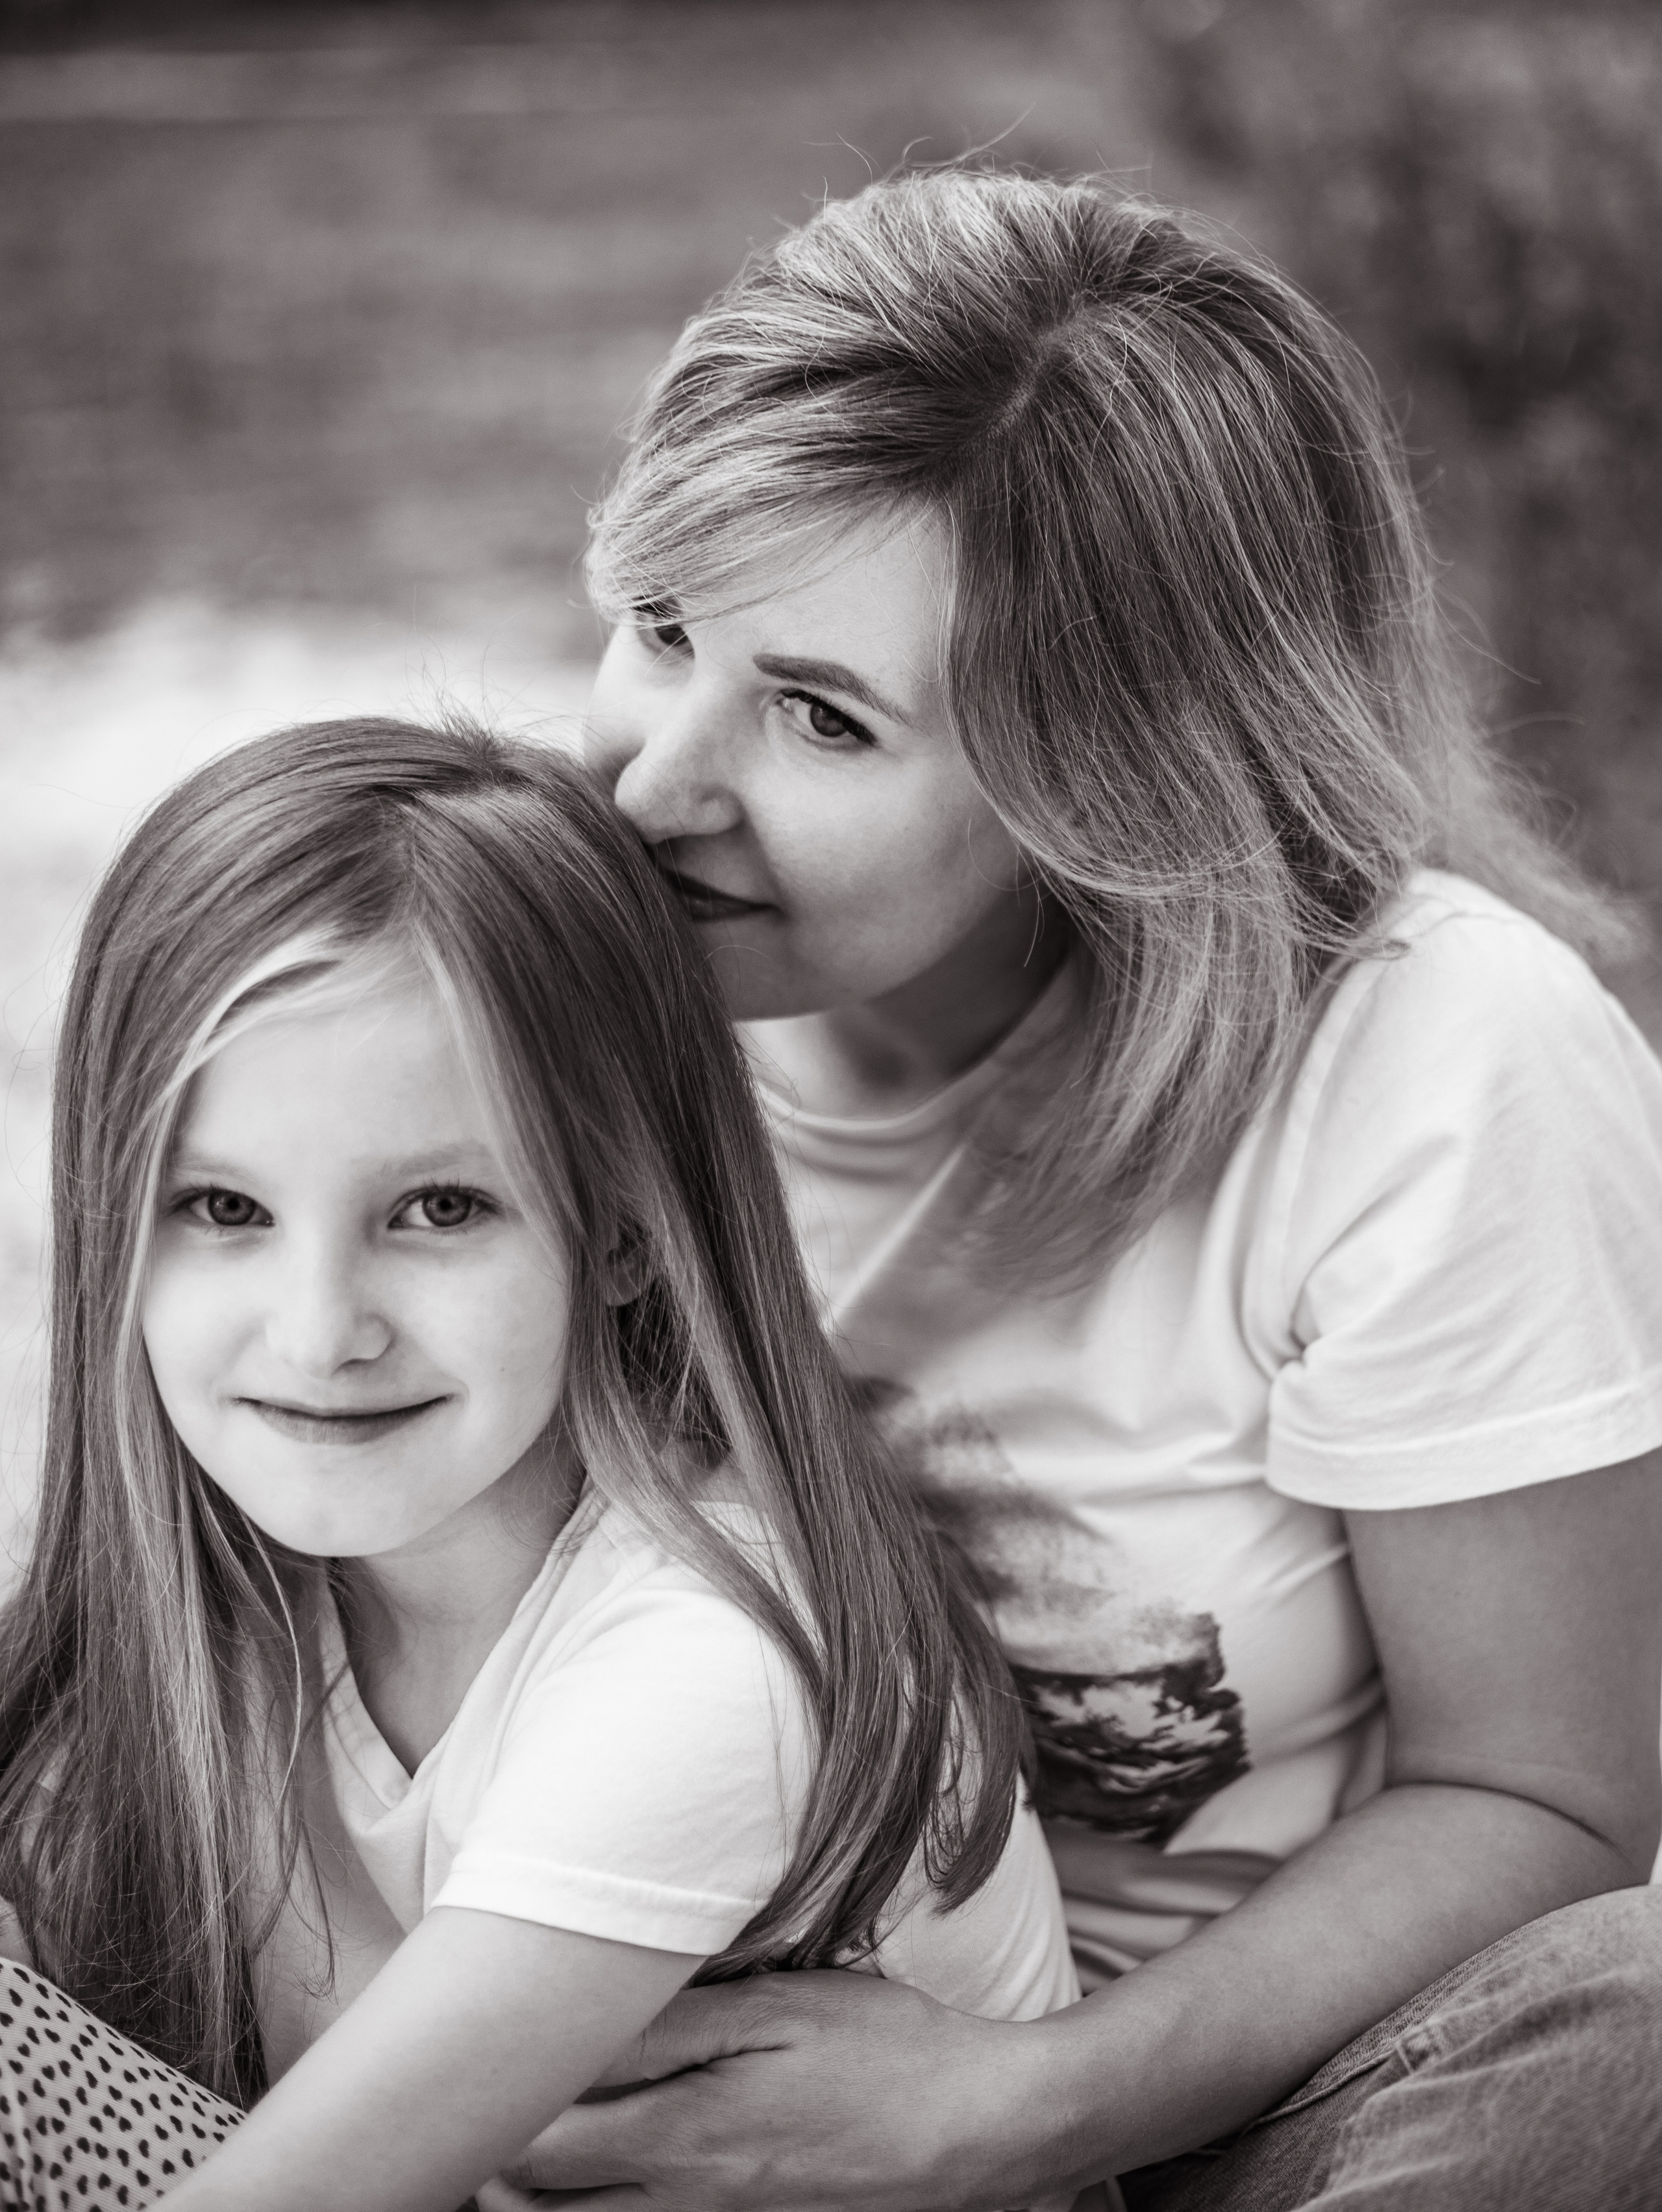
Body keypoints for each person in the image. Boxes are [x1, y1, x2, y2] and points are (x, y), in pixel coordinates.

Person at [516, 170, 1662, 2208]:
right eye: (660, 626)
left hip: (1266, 2112)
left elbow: (1550, 1796)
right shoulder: (517, 967)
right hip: (606, 2052)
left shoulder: (1437, 1060)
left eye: (821, 714)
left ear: (1115, 770)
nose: (651, 785)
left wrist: (998, 2117)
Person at [0, 717, 1085, 2212]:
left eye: (440, 1209)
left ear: (628, 1226)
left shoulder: (714, 1661)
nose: (320, 1336)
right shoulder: (237, 1597)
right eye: (224, 1210)